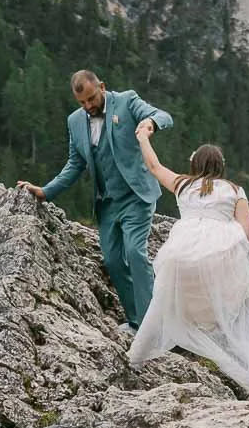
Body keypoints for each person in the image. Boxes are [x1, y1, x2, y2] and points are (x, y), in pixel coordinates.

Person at [125, 126, 249, 404]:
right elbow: (247, 232)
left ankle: (135, 357)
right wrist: (233, 255)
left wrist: (143, 138)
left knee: (162, 303)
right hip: (216, 259)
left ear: (194, 165)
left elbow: (154, 165)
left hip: (180, 258)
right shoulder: (234, 189)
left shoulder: (183, 184)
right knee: (242, 312)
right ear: (221, 167)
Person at [17, 70, 172, 330]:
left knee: (135, 252)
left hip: (136, 196)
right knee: (112, 260)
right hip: (107, 202)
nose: (88, 106)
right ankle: (135, 321)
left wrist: (150, 124)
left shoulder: (126, 101)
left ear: (101, 86)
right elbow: (75, 164)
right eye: (82, 102)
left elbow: (163, 115)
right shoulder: (74, 122)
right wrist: (45, 191)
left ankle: (151, 327)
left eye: (91, 98)